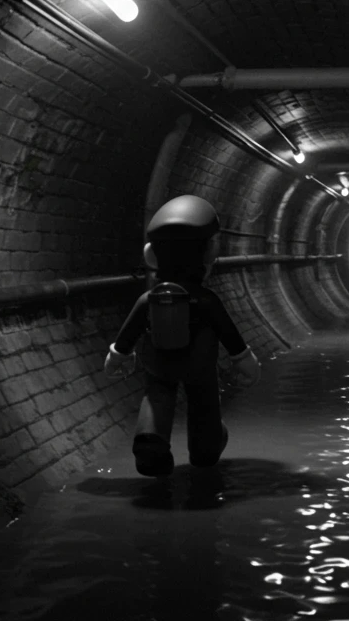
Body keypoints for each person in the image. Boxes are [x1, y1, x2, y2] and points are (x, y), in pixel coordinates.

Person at [103, 195, 261, 477]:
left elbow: (129, 333)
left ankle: (151, 444)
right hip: (199, 364)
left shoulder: (149, 299)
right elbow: (229, 334)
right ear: (208, 254)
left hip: (158, 362)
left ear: (152, 254)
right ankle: (205, 449)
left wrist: (118, 356)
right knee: (204, 402)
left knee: (157, 396)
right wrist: (245, 361)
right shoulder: (206, 300)